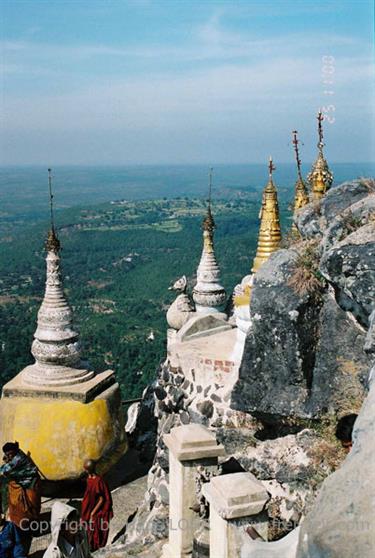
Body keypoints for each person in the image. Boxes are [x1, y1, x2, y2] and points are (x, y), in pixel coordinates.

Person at [0, 442, 41, 553]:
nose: (8, 456)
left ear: (15, 452)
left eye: (10, 454)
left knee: (31, 510)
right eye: (7, 455)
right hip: (24, 485)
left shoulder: (18, 459)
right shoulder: (15, 456)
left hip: (30, 485)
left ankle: (34, 528)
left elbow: (4, 470)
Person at [80, 460, 113, 551]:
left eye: (86, 469)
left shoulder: (98, 481)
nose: (85, 471)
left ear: (90, 469)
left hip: (96, 509)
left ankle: (95, 548)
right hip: (89, 506)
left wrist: (92, 513)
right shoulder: (89, 478)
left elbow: (102, 499)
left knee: (95, 530)